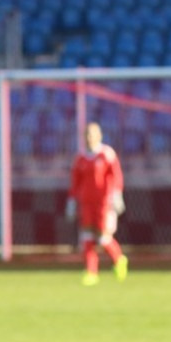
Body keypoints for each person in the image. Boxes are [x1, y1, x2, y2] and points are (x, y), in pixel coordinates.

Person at [67, 121, 128, 286]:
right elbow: (75, 182)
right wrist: (72, 201)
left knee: (103, 237)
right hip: (87, 204)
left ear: (99, 136)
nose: (89, 137)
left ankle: (119, 259)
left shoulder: (107, 154)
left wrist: (117, 195)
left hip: (104, 203)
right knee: (87, 237)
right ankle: (91, 272)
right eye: (87, 134)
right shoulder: (80, 158)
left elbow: (116, 175)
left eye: (92, 134)